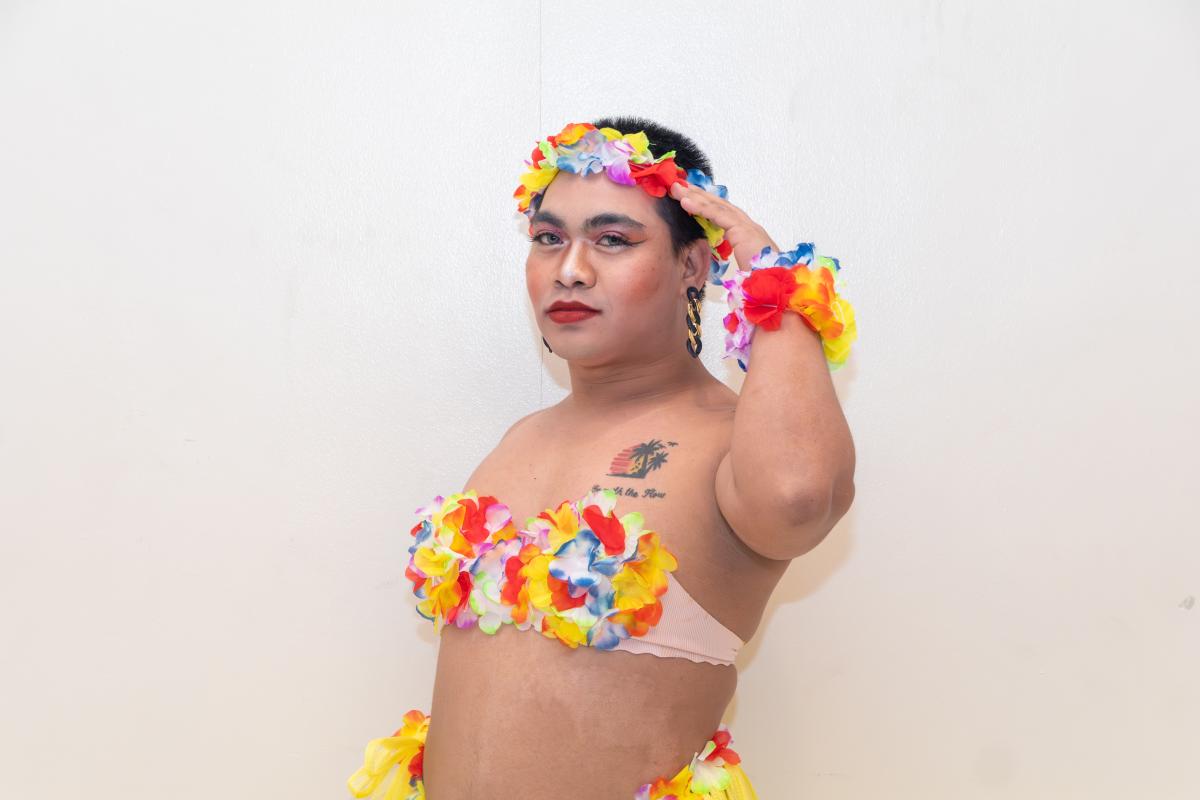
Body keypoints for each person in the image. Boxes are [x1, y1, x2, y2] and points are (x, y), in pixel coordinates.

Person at [347, 116, 858, 799]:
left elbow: (798, 499)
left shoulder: (730, 442)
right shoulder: (518, 441)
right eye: (548, 239)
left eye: (612, 240)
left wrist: (772, 279)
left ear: (692, 266)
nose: (570, 270)